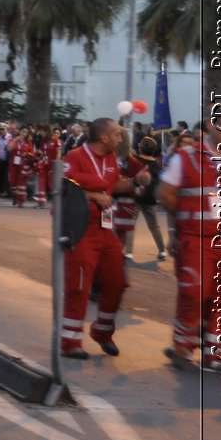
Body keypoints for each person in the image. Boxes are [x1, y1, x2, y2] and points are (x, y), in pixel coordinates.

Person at [157, 108, 221, 375]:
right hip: (196, 239)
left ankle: (215, 355)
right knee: (194, 291)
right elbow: (165, 194)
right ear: (209, 124)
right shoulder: (187, 157)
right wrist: (180, 226)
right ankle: (183, 344)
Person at [58, 118, 141, 359]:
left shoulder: (112, 159)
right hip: (81, 228)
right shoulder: (75, 157)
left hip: (106, 230)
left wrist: (137, 182)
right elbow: (62, 188)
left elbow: (113, 187)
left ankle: (102, 331)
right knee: (79, 286)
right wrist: (93, 194)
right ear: (104, 137)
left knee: (117, 282)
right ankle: (70, 342)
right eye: (116, 134)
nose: (120, 138)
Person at [134, 132, 168, 261]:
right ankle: (161, 250)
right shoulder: (156, 165)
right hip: (150, 198)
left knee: (130, 223)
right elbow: (158, 181)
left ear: (141, 147)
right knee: (154, 226)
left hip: (136, 195)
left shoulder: (136, 160)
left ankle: (127, 250)